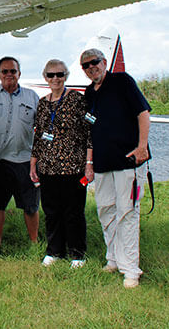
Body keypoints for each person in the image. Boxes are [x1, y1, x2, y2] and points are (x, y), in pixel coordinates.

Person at [80, 48, 150, 288]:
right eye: (86, 66)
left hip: (129, 162)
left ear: (104, 61)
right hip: (102, 165)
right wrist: (89, 164)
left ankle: (131, 269)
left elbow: (143, 112)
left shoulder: (122, 81)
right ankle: (113, 258)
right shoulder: (89, 92)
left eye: (95, 62)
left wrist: (142, 147)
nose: (91, 68)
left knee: (128, 212)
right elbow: (90, 130)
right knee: (106, 211)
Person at [30, 59, 93, 268]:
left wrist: (89, 162)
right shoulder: (42, 103)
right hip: (48, 168)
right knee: (51, 211)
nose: (55, 79)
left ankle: (77, 254)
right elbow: (38, 135)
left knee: (73, 211)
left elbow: (89, 132)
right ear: (45, 78)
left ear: (66, 76)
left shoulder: (76, 99)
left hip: (72, 166)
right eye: (51, 75)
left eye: (59, 74)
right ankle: (54, 251)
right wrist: (33, 163)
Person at [0, 56, 40, 245]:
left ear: (19, 73)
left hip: (24, 160)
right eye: (5, 71)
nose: (9, 74)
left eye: (13, 71)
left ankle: (34, 242)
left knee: (30, 205)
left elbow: (43, 128)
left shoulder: (32, 97)